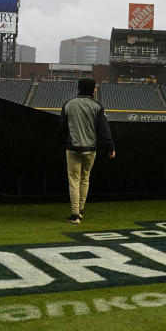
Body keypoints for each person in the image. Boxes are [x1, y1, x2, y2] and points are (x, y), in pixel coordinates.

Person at [60, 78, 115, 224]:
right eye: (94, 88)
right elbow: (104, 130)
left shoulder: (68, 104)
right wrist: (111, 146)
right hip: (90, 149)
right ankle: (81, 210)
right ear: (90, 89)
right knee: (85, 179)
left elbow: (62, 127)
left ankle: (75, 215)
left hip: (73, 148)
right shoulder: (97, 106)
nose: (96, 90)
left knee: (74, 181)